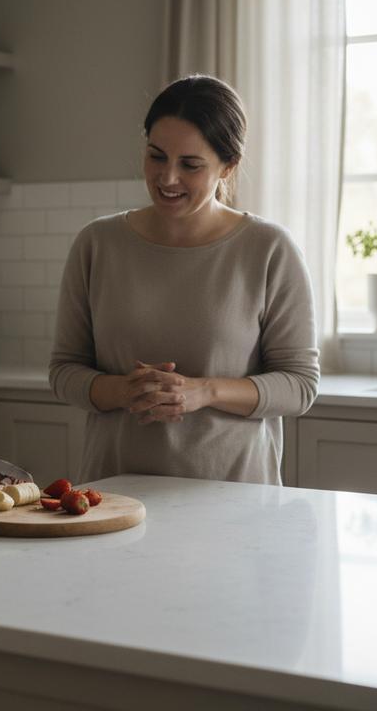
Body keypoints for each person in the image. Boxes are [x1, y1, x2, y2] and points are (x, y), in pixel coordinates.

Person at [49, 74, 319, 485]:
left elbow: (299, 386)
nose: (167, 178)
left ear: (228, 166)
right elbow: (64, 371)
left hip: (235, 501)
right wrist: (124, 390)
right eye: (156, 156)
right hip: (114, 494)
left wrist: (204, 391)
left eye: (190, 165)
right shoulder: (97, 243)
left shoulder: (269, 249)